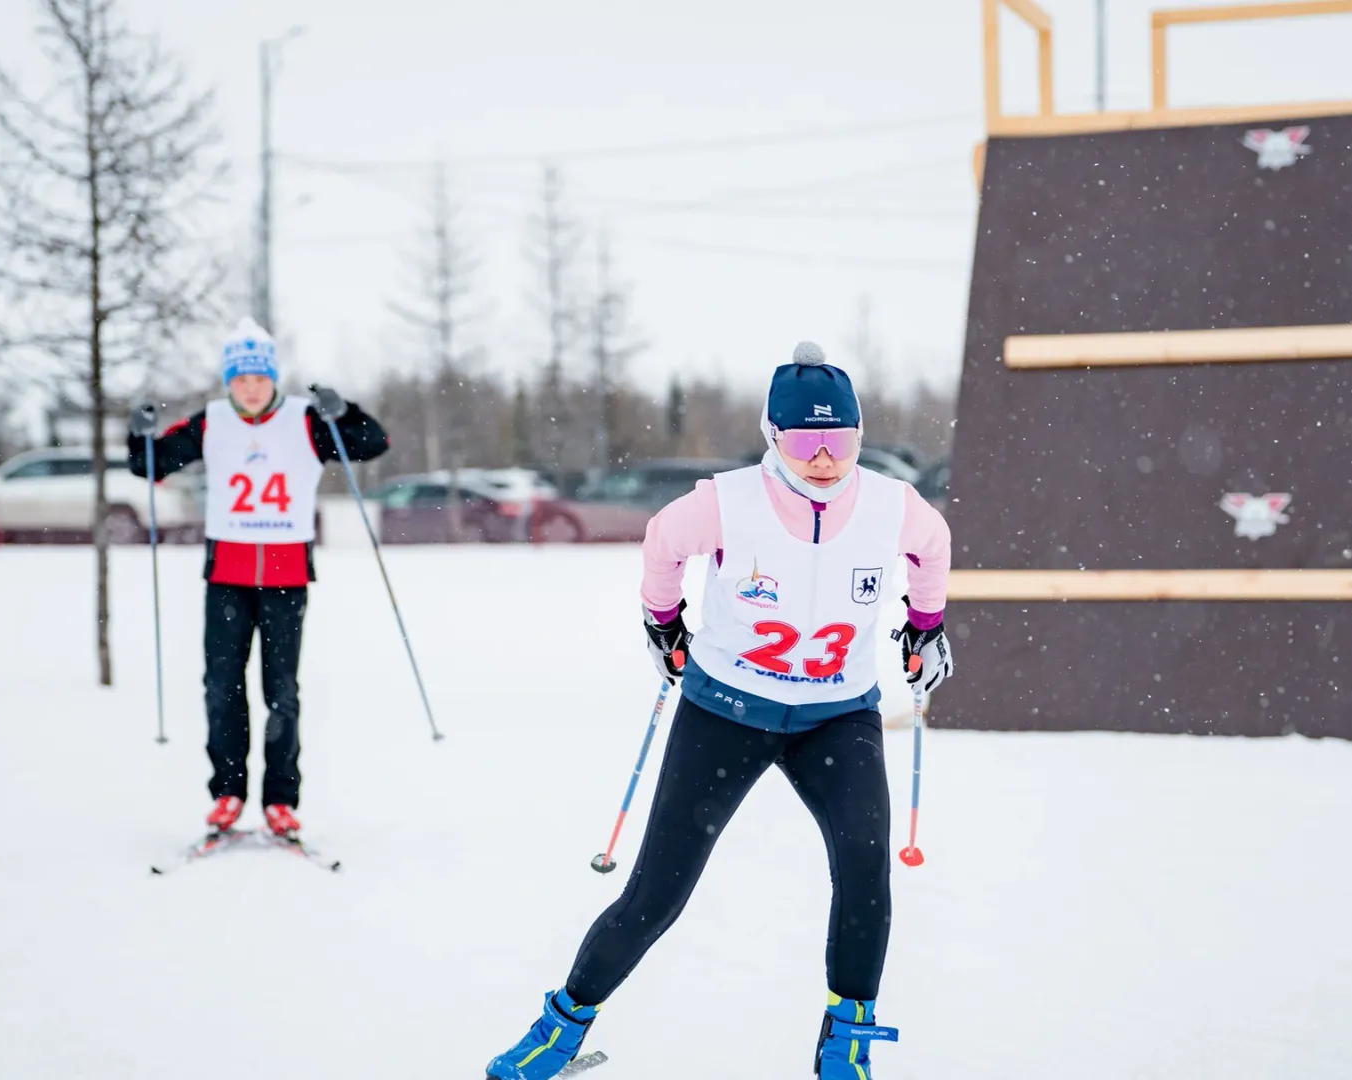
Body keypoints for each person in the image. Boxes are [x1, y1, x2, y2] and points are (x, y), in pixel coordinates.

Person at [485, 342, 956, 1080]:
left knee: (866, 871)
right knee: (657, 892)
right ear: (774, 436)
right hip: (727, 711)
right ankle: (562, 1026)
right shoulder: (726, 502)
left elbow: (935, 547)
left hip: (837, 715)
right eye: (807, 440)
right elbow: (661, 545)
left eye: (842, 440)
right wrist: (662, 620)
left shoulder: (893, 505)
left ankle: (846, 1041)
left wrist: (925, 627)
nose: (826, 457)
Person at [127, 317, 389, 838]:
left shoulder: (305, 420)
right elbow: (148, 465)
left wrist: (346, 411)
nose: (249, 387)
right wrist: (138, 434)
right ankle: (227, 791)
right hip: (228, 571)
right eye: (240, 378)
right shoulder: (212, 422)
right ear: (229, 382)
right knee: (221, 688)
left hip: (286, 572)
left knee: (280, 691)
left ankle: (280, 800)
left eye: (258, 377)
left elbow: (371, 443)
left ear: (272, 377)